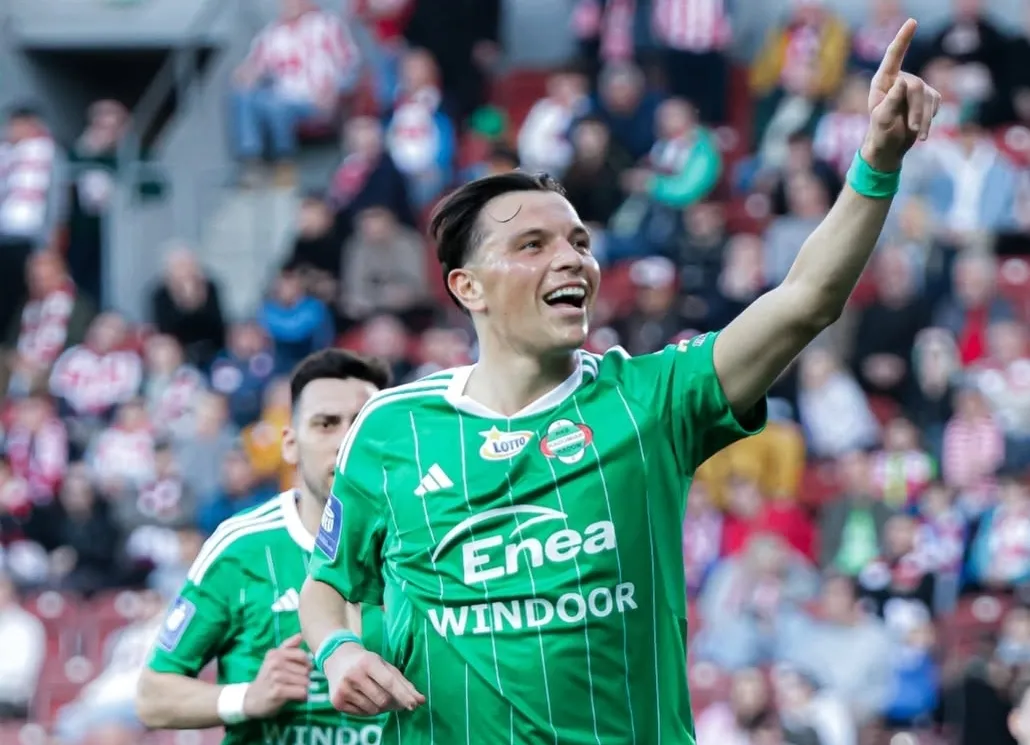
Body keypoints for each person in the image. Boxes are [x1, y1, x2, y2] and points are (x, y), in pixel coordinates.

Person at [299, 19, 942, 744]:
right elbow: (326, 584)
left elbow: (806, 300)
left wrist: (876, 163)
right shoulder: (391, 429)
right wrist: (339, 649)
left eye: (579, 242)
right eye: (532, 244)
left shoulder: (651, 401)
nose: (571, 259)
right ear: (467, 287)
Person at [136, 349, 391, 744]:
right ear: (290, 444)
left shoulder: (424, 547)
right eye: (326, 424)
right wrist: (247, 698)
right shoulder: (240, 549)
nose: (346, 440)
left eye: (361, 424)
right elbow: (152, 697)